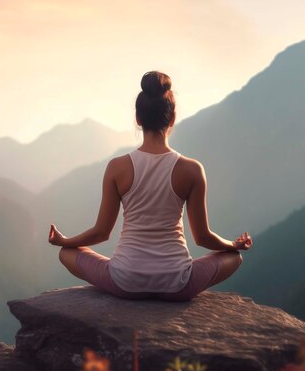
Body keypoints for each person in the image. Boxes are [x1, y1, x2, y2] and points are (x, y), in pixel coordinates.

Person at [48, 70, 252, 302]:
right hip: (177, 283)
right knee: (234, 258)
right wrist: (233, 244)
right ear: (172, 118)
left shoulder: (117, 167)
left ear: (138, 118)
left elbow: (101, 232)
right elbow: (203, 237)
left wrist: (64, 241)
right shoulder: (192, 170)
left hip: (124, 281)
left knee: (67, 254)